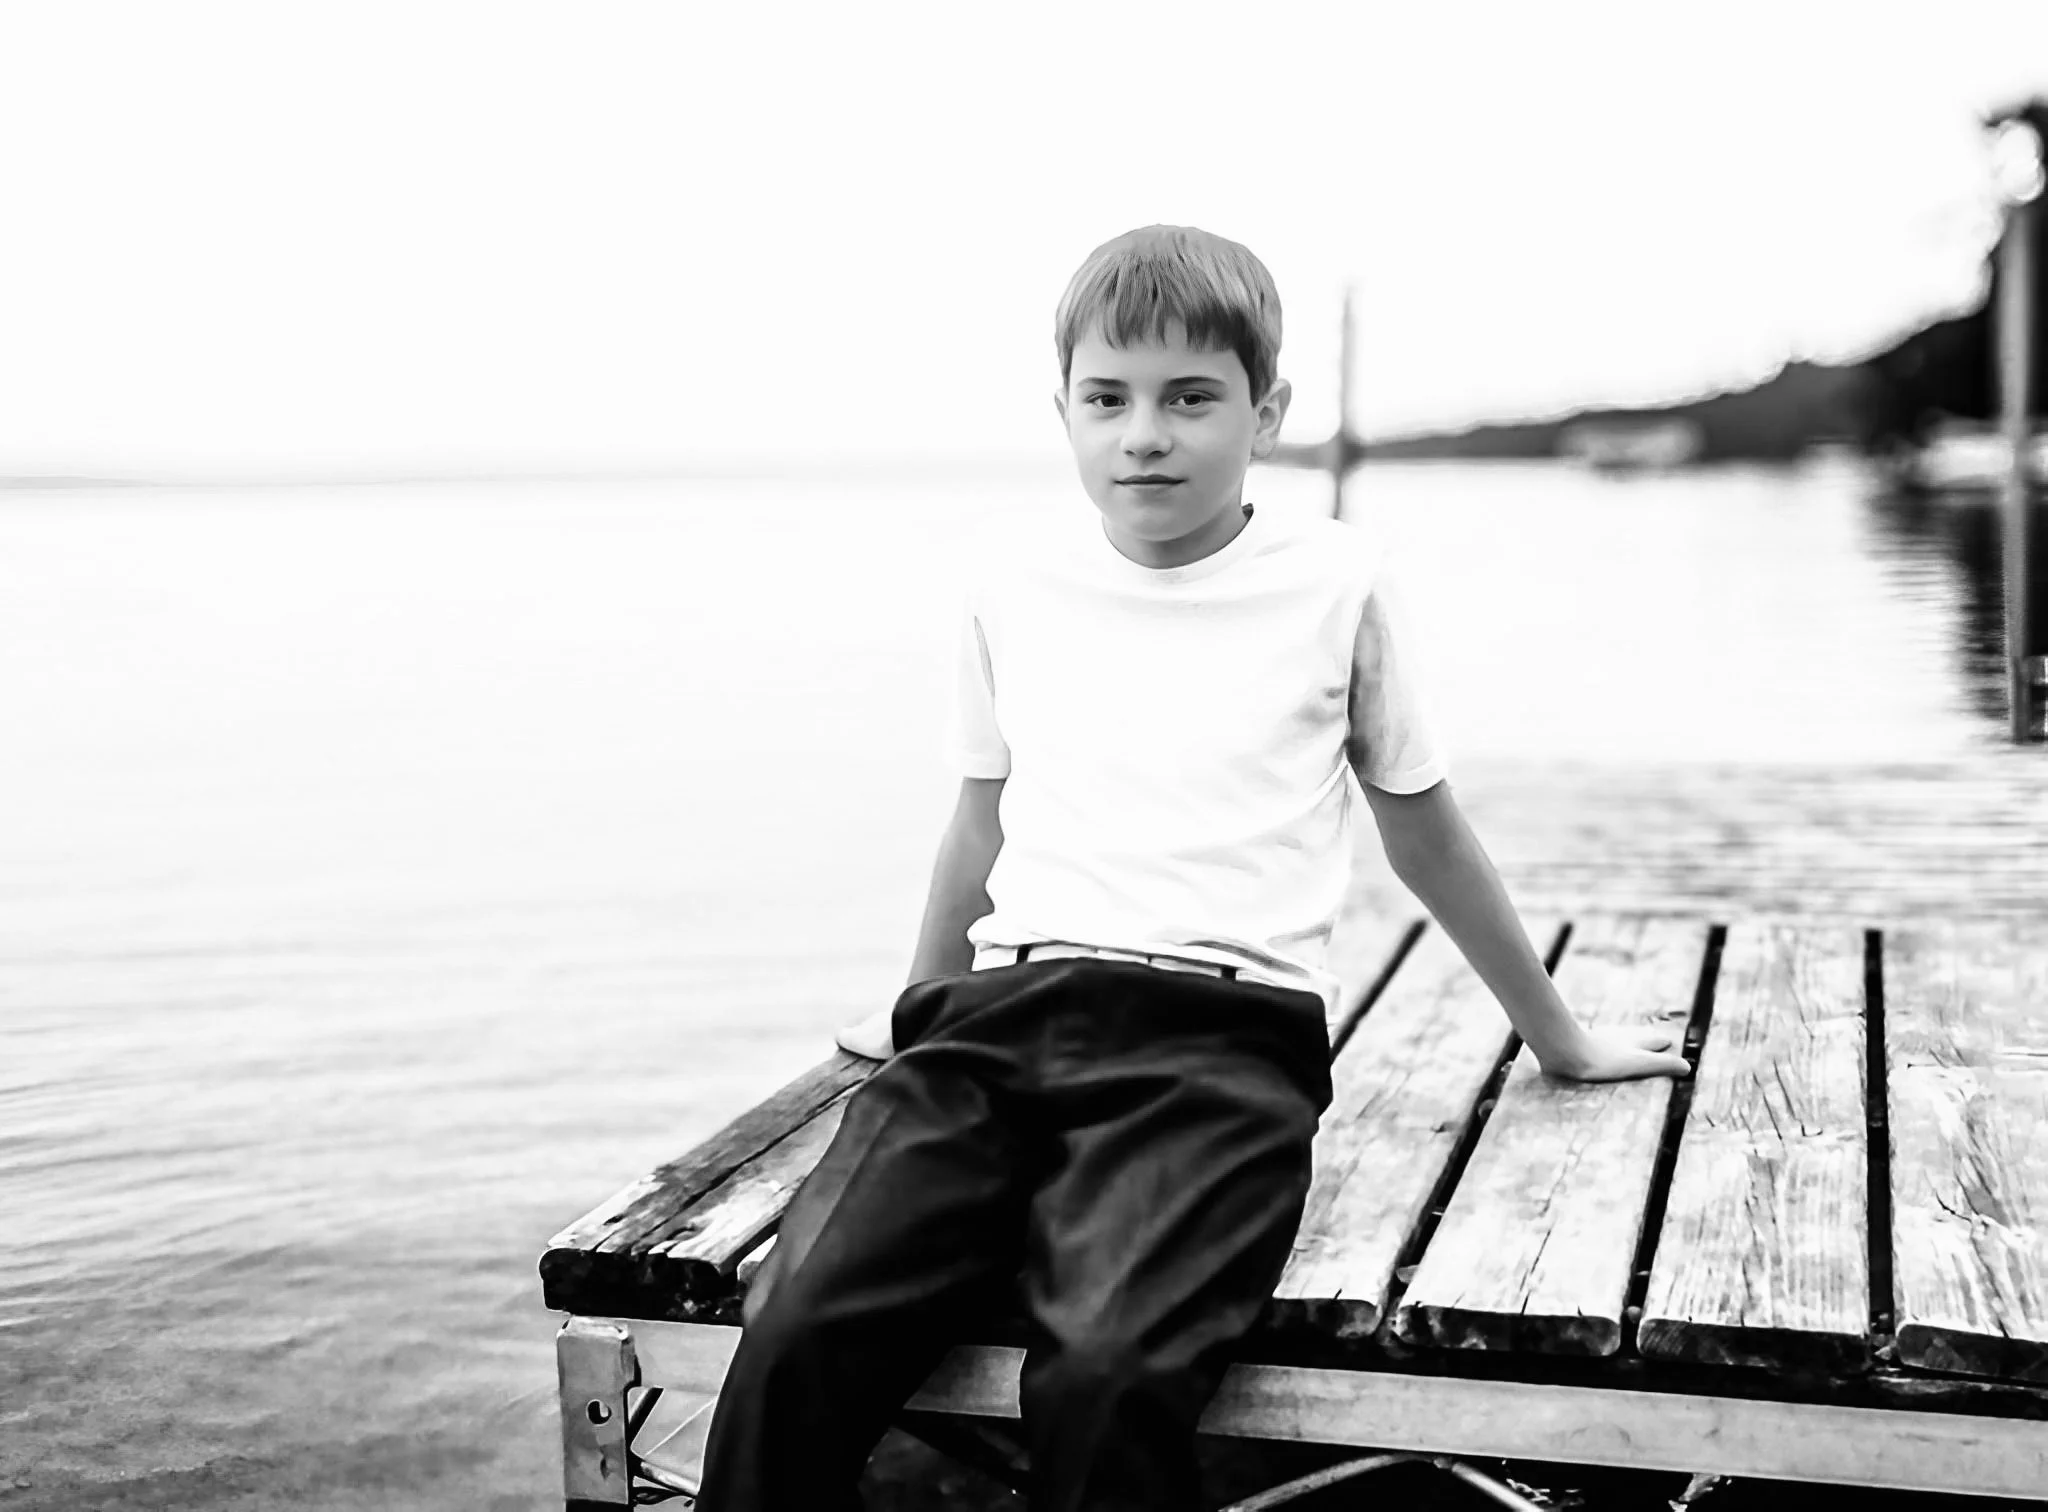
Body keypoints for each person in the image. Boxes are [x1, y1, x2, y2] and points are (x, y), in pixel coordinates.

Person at [693, 224, 1690, 1512]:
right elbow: (979, 817)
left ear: (1265, 411)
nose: (1143, 434)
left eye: (1190, 398)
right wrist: (915, 1006)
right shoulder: (1010, 578)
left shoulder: (1337, 582)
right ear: (1063, 410)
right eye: (1106, 398)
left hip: (1218, 1043)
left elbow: (1424, 825)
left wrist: (1557, 1040)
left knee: (1107, 1369)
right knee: (796, 1325)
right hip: (998, 1027)